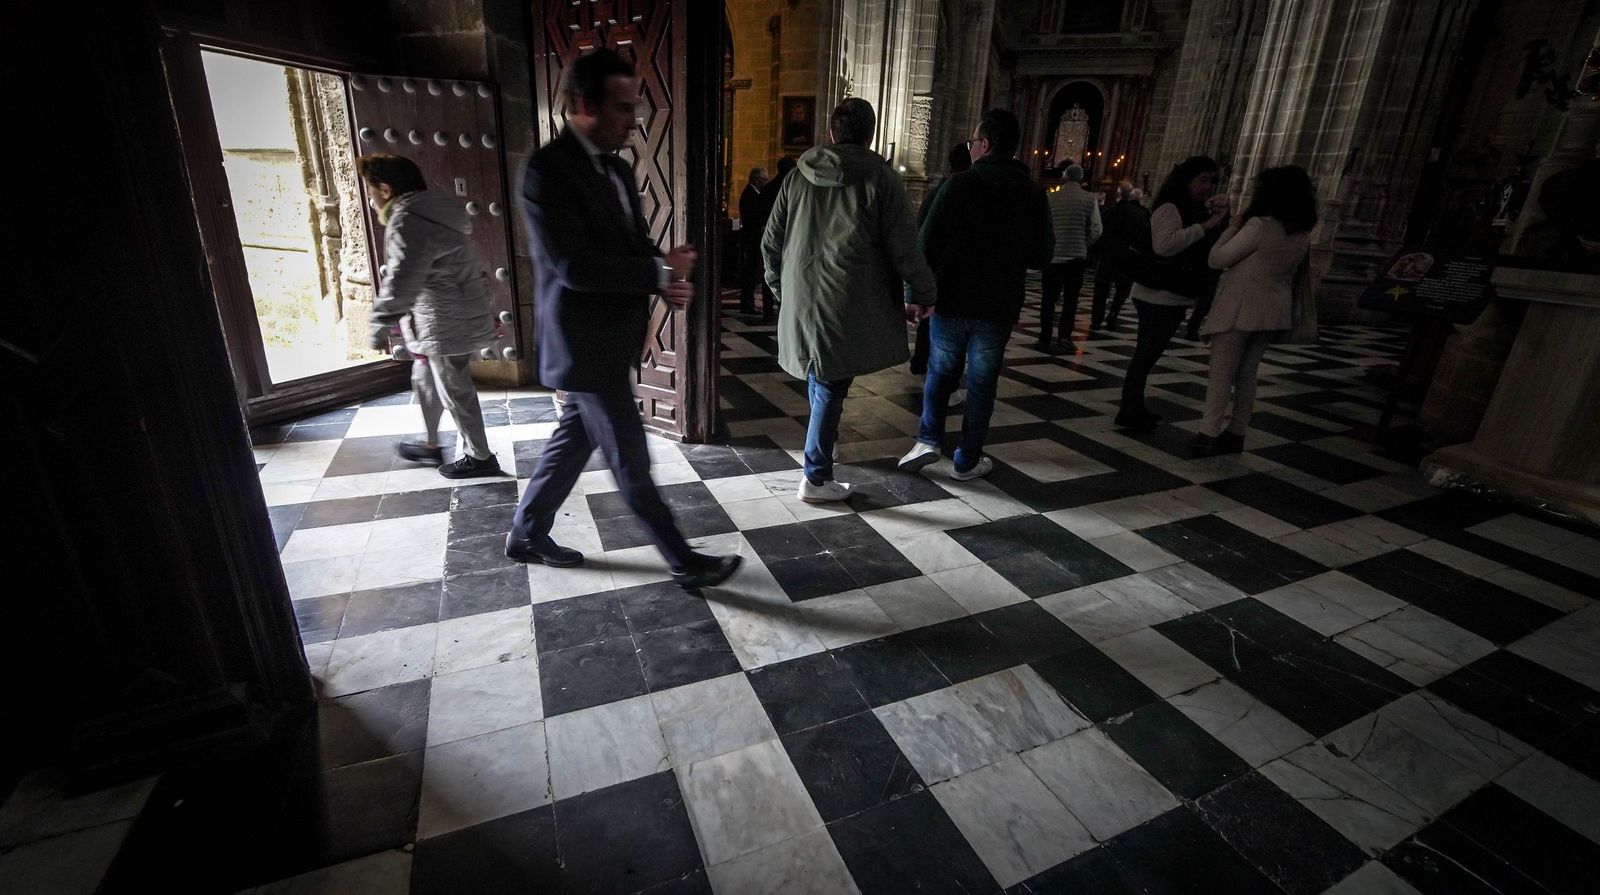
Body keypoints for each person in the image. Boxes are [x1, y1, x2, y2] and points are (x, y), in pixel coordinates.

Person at [509, 49, 739, 591]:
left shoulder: (615, 166)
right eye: (621, 108)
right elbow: (573, 267)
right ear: (583, 104)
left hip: (612, 338)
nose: (633, 120)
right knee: (631, 458)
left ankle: (525, 532)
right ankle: (683, 559)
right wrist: (656, 270)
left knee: (573, 441)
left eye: (635, 107)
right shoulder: (547, 170)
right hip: (582, 345)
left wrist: (664, 272)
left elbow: (632, 245)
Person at [763, 97, 937, 502]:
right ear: (870, 135)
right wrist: (924, 292)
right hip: (848, 300)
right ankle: (817, 477)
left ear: (831, 133)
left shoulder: (797, 176)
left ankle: (823, 448)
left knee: (822, 377)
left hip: (804, 297)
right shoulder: (882, 178)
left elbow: (770, 243)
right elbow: (904, 249)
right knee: (829, 383)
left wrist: (782, 291)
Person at [898, 109, 1052, 480]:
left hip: (951, 298)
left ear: (984, 144)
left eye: (972, 142)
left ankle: (928, 440)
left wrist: (913, 293)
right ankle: (967, 459)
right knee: (982, 382)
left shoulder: (958, 185)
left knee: (940, 370)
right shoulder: (1032, 194)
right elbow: (1042, 255)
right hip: (998, 305)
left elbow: (925, 246)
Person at [359, 152, 503, 479]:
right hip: (448, 312)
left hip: (442, 317)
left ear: (384, 188)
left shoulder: (408, 220)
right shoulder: (436, 210)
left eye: (370, 189)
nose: (369, 197)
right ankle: (430, 443)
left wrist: (379, 324)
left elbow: (401, 280)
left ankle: (480, 457)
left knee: (454, 389)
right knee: (425, 376)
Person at [1189, 166, 1316, 454]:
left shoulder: (1260, 225)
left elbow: (1218, 258)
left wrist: (1233, 226)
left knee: (1221, 373)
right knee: (1247, 374)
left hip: (1240, 309)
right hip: (1272, 312)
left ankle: (1208, 433)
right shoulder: (1301, 231)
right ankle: (1237, 432)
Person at [1117, 155, 1229, 431]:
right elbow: (1165, 246)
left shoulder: (1192, 208)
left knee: (1149, 354)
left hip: (1172, 294)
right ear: (1187, 179)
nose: (1207, 187)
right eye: (1202, 180)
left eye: (1211, 182)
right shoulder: (1169, 207)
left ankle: (1133, 406)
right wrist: (1204, 226)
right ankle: (1129, 409)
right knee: (1146, 353)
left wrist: (1215, 215)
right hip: (1157, 294)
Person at [910, 143, 974, 375]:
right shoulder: (960, 191)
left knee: (928, 319)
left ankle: (920, 360)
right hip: (950, 272)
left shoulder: (937, 191)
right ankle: (935, 371)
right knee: (945, 332)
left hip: (934, 269)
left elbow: (921, 232)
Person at [1038, 164, 1101, 353]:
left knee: (1048, 300)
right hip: (1076, 259)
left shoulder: (1051, 198)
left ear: (1064, 178)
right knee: (1071, 300)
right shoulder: (1090, 199)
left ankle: (1044, 337)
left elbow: (1045, 228)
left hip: (1054, 258)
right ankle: (1064, 337)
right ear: (1081, 179)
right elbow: (1097, 229)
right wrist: (1083, 243)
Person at [1092, 181, 1150, 332]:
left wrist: (1097, 253)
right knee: (1122, 289)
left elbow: (1100, 233)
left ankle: (1096, 320)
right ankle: (1113, 313)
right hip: (1127, 258)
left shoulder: (1109, 211)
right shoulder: (1139, 214)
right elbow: (1143, 237)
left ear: (1118, 194)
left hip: (1108, 256)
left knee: (1101, 290)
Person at [737, 165, 770, 319]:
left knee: (751, 272)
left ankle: (748, 304)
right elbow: (753, 219)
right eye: (764, 179)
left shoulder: (753, 193)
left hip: (752, 239)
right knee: (750, 273)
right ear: (757, 180)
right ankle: (747, 305)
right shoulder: (750, 195)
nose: (766, 182)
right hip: (752, 239)